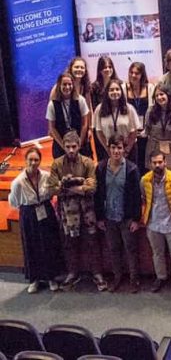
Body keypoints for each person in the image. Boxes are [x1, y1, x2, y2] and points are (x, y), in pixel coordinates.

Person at [46, 132, 106, 291]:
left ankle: (97, 273)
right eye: (68, 147)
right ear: (63, 147)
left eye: (74, 146)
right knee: (70, 244)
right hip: (68, 213)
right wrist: (80, 186)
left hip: (87, 212)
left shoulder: (87, 163)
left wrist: (67, 186)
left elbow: (92, 188)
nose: (71, 150)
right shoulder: (57, 164)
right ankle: (72, 273)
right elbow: (51, 189)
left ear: (79, 146)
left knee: (92, 242)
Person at [9, 146, 64, 293]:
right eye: (30, 160)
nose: (33, 162)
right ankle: (34, 279)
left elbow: (55, 189)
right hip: (29, 214)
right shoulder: (18, 182)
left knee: (49, 244)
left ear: (40, 161)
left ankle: (51, 277)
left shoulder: (46, 176)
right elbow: (13, 202)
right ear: (25, 160)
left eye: (36, 160)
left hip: (45, 210)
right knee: (31, 245)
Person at [95, 136, 142, 293]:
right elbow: (98, 194)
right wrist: (99, 217)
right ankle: (117, 278)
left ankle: (134, 279)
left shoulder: (132, 169)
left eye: (119, 148)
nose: (116, 151)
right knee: (114, 249)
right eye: (113, 147)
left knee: (131, 249)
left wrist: (136, 219)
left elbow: (136, 196)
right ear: (109, 148)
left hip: (126, 218)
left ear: (124, 149)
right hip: (109, 217)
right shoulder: (101, 168)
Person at [141, 152, 171, 293]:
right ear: (150, 164)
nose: (157, 165)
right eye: (154, 163)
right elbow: (144, 198)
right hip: (153, 223)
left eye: (160, 162)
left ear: (165, 162)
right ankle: (161, 277)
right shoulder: (144, 180)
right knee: (157, 252)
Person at [94, 78, 141, 163]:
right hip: (108, 150)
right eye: (111, 90)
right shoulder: (99, 109)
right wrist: (108, 149)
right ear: (107, 92)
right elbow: (99, 131)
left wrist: (126, 150)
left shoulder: (129, 108)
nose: (114, 92)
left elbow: (134, 132)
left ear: (121, 92)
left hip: (128, 150)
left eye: (117, 89)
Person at [47, 72, 92, 159]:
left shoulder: (81, 100)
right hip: (61, 144)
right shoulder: (52, 104)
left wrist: (79, 143)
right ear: (59, 86)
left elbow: (84, 124)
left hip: (80, 142)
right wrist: (64, 146)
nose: (67, 87)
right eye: (64, 84)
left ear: (73, 85)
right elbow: (52, 128)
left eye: (69, 84)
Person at [124, 62, 154, 169]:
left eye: (136, 73)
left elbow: (152, 110)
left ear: (142, 74)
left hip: (146, 131)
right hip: (130, 132)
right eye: (131, 73)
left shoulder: (149, 88)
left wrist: (147, 129)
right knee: (132, 162)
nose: (133, 76)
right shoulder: (124, 88)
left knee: (145, 162)